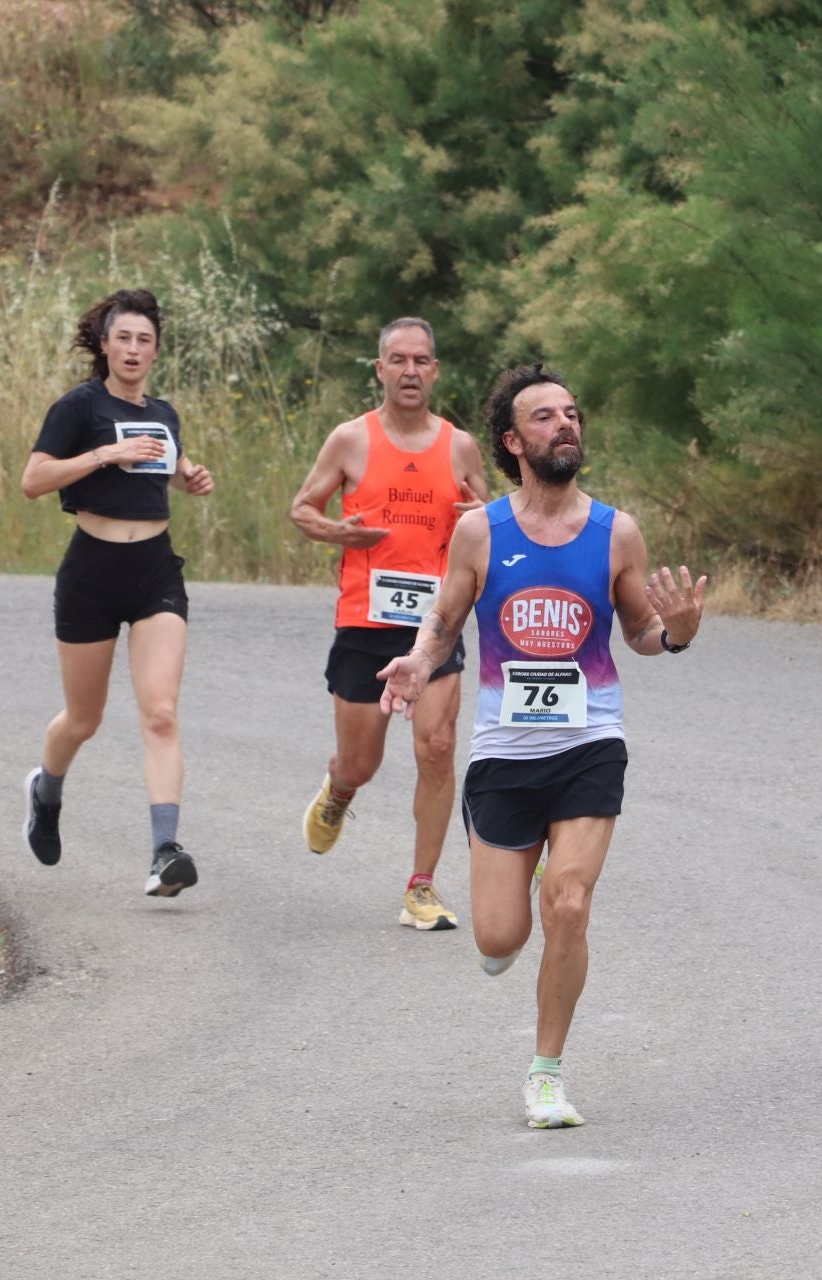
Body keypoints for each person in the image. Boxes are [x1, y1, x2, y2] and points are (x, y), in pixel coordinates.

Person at [377, 363, 705, 1128]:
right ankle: (511, 899)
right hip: (504, 751)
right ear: (512, 440)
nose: (566, 426)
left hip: (592, 740)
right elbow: (447, 620)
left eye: (573, 414)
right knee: (499, 936)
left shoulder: (614, 531)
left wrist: (677, 635)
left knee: (569, 902)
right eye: (546, 417)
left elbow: (641, 634)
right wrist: (420, 663)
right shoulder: (479, 530)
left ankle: (546, 1072)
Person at [290, 317, 490, 931]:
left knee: (438, 745)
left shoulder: (459, 446)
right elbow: (302, 508)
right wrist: (339, 531)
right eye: (397, 360)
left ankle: (421, 887)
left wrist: (481, 513)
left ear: (434, 370)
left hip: (435, 624)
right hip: (364, 621)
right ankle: (340, 790)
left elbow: (488, 523)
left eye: (421, 360)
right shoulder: (350, 440)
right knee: (361, 763)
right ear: (380, 369)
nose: (409, 371)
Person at [19, 288, 215, 898]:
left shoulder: (164, 413)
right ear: (104, 345)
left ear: (156, 351)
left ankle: (165, 852)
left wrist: (189, 477)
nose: (133, 349)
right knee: (84, 718)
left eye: (144, 340)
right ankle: (45, 791)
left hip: (155, 568)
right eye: (123, 338)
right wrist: (105, 452)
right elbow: (33, 480)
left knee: (160, 713)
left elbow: (163, 468)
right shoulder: (78, 408)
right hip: (92, 573)